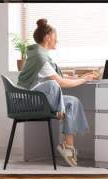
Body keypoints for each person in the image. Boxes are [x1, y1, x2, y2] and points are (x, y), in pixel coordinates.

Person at [17, 18, 97, 167]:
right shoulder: (40, 57)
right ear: (48, 37)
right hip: (30, 101)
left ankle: (68, 147)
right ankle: (59, 109)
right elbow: (59, 82)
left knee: (73, 102)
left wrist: (81, 77)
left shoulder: (41, 56)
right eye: (55, 36)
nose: (57, 40)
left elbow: (59, 78)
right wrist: (83, 81)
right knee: (53, 84)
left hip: (40, 98)